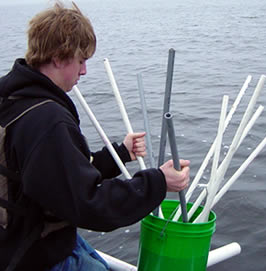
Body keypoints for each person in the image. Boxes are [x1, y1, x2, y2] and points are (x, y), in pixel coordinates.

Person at [0, 2, 190, 271]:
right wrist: (158, 182)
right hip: (36, 255)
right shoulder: (47, 120)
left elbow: (55, 173)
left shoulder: (11, 99)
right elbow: (91, 204)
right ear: (57, 57)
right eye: (81, 60)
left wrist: (121, 153)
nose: (84, 71)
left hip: (16, 240)